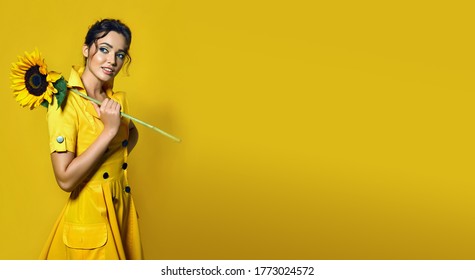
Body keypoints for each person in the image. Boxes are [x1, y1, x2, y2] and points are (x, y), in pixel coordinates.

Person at [40, 18, 143, 260]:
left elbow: (130, 137)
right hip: (90, 220)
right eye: (104, 49)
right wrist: (108, 132)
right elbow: (65, 179)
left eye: (120, 54)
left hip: (121, 212)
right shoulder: (63, 101)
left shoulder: (115, 99)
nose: (111, 61)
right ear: (87, 50)